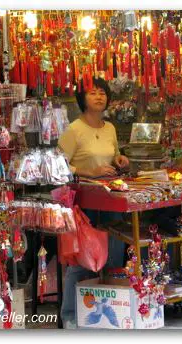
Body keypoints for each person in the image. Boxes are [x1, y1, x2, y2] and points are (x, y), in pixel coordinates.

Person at [57, 77, 129, 328]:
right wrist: (90, 173)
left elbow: (114, 152)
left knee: (114, 253)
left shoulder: (109, 128)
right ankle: (69, 315)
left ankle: (109, 313)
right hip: (84, 201)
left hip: (110, 198)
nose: (99, 96)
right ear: (82, 99)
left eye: (102, 92)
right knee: (83, 257)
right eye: (93, 93)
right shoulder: (74, 129)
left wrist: (120, 159)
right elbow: (59, 164)